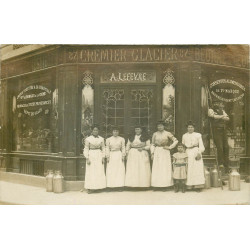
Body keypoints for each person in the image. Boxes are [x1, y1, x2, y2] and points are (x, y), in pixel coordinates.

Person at [151, 120, 178, 191]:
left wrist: (170, 147)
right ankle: (156, 185)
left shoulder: (167, 133)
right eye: (158, 126)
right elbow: (152, 144)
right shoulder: (155, 134)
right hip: (157, 151)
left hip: (165, 151)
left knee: (164, 167)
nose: (159, 127)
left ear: (164, 126)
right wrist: (152, 153)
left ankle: (165, 185)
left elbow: (176, 140)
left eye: (161, 126)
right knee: (157, 167)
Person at [125, 125, 151, 189]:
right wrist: (127, 153)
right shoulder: (131, 137)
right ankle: (133, 185)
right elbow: (128, 145)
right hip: (133, 154)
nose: (137, 131)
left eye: (138, 129)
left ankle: (143, 185)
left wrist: (143, 148)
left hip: (142, 153)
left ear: (141, 130)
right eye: (136, 129)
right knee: (133, 169)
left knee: (142, 168)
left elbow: (149, 146)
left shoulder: (145, 137)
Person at [182, 121, 205, 192]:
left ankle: (198, 186)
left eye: (192, 127)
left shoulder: (198, 135)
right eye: (189, 127)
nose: (190, 128)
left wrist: (199, 152)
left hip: (195, 151)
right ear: (187, 128)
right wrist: (183, 154)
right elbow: (183, 146)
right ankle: (189, 185)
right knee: (189, 168)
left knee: (197, 168)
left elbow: (201, 145)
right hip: (188, 152)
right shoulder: (184, 135)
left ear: (194, 128)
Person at [208, 101, 230, 175]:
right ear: (216, 104)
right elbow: (213, 116)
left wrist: (221, 116)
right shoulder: (211, 110)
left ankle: (226, 165)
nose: (222, 105)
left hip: (223, 131)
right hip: (216, 131)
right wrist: (222, 116)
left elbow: (228, 118)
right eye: (220, 104)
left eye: (222, 104)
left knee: (226, 147)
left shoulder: (222, 111)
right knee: (220, 147)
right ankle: (220, 164)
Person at [83, 125, 106, 194]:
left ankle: (98, 187)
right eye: (94, 130)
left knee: (99, 171)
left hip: (99, 154)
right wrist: (87, 158)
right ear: (92, 131)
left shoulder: (101, 139)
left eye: (97, 130)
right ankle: (90, 188)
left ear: (98, 131)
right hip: (91, 155)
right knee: (91, 171)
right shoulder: (88, 139)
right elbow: (86, 148)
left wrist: (103, 157)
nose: (95, 131)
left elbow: (103, 148)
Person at [105, 127, 126, 191]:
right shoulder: (108, 139)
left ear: (118, 132)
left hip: (119, 155)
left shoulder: (122, 139)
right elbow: (107, 148)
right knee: (111, 170)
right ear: (112, 132)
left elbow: (123, 147)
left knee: (119, 171)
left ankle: (119, 186)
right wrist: (108, 156)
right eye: (114, 131)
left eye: (117, 131)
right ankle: (110, 186)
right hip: (111, 155)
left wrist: (123, 155)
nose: (115, 132)